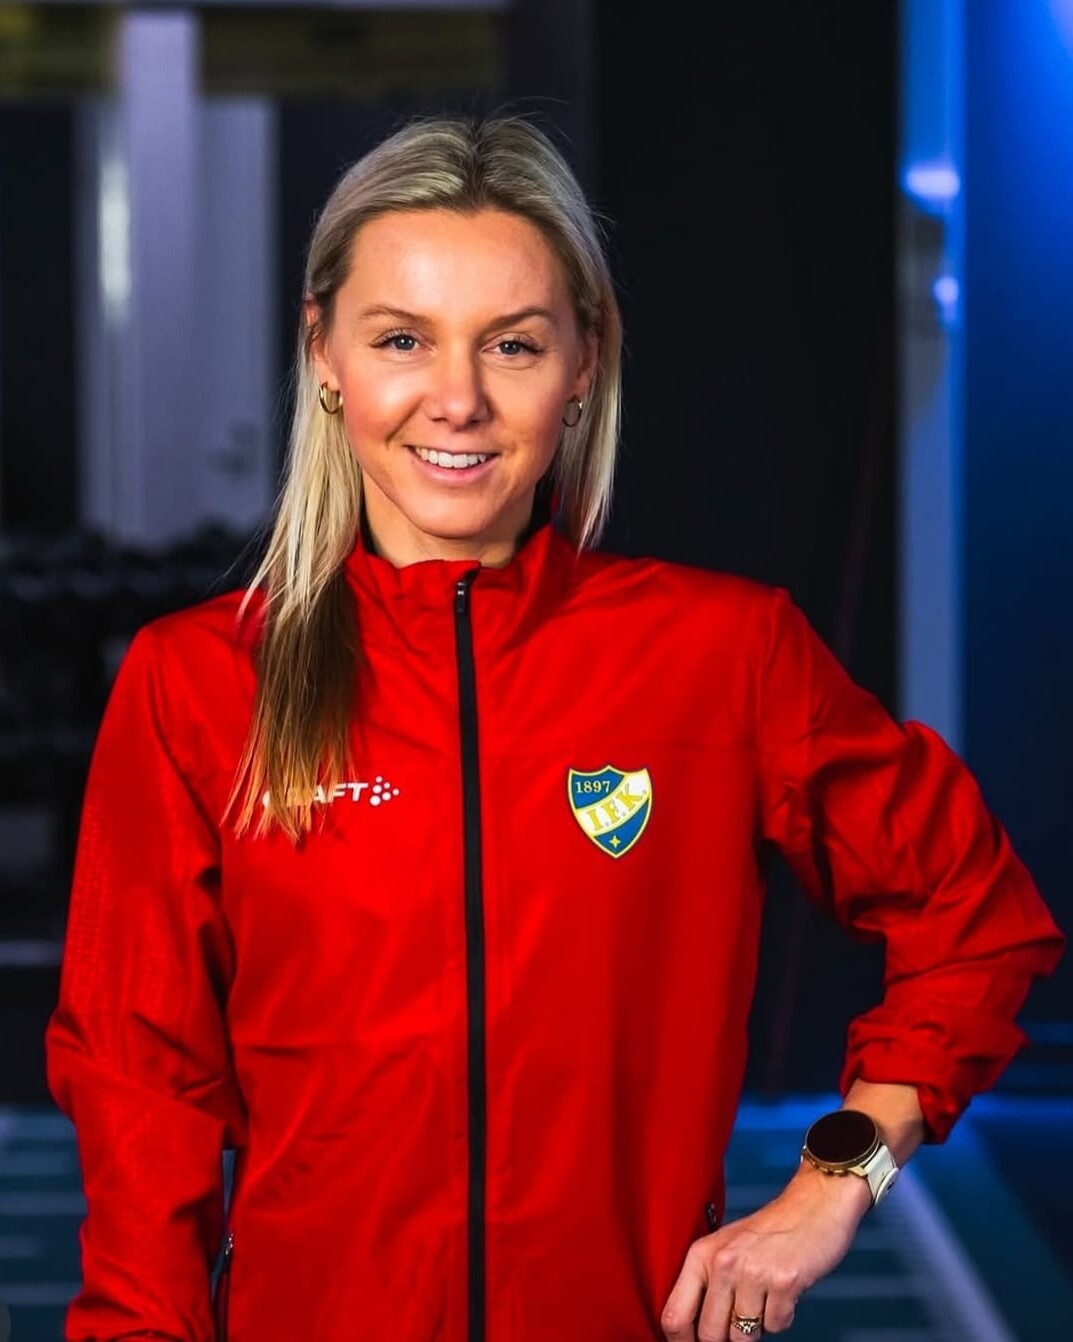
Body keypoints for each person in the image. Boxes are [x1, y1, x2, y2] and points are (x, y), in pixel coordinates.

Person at [45, 114, 1064, 1342]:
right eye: (402, 338)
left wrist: (837, 1177)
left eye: (513, 344)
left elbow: (973, 918)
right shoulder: (199, 681)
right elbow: (137, 1079)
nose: (457, 399)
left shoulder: (717, 654)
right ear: (324, 356)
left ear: (583, 362)